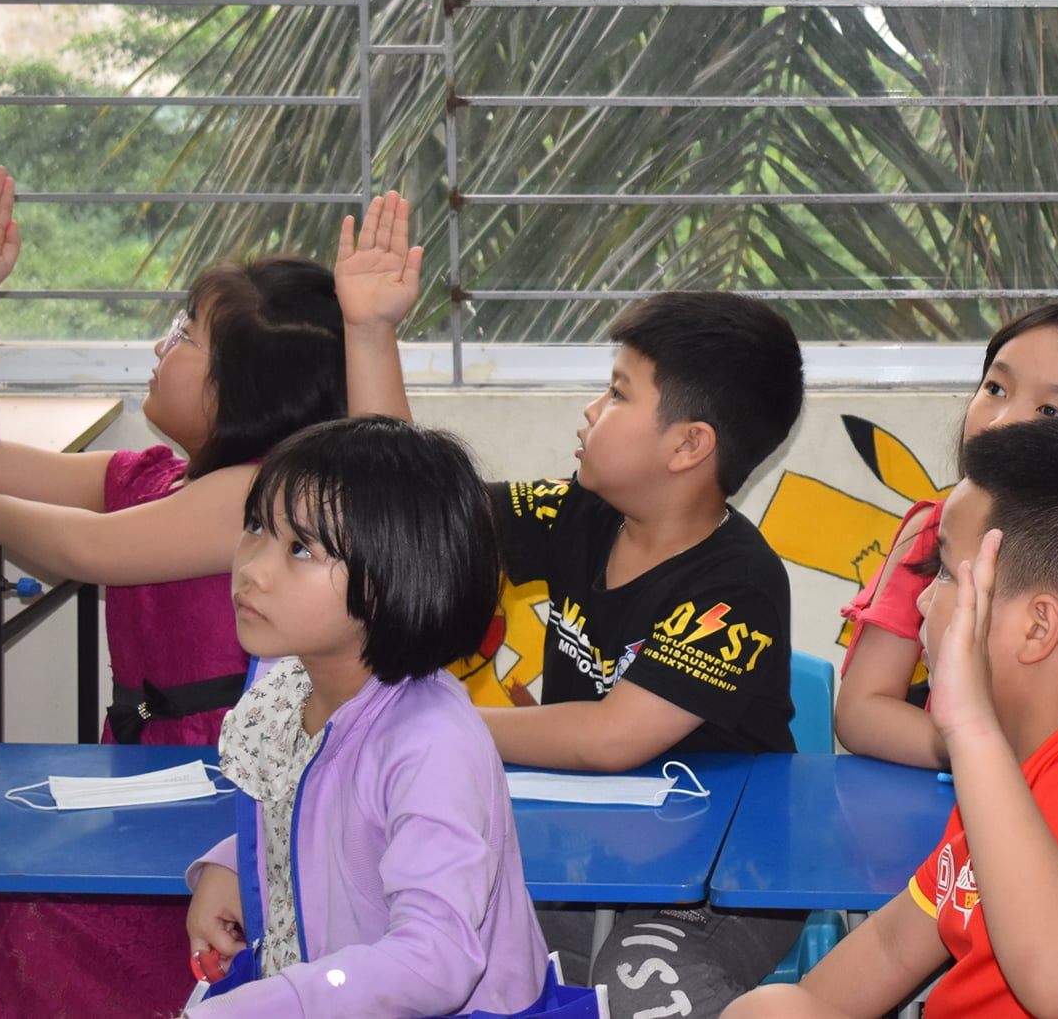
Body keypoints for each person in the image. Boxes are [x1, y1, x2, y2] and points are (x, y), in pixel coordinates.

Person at [335, 199, 808, 1019]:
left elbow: (610, 736)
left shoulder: (738, 587)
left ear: (688, 445)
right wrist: (371, 333)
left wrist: (433, 723)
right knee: (446, 943)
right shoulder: (578, 514)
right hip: (583, 856)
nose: (591, 411)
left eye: (618, 393)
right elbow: (413, 516)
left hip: (718, 886)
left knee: (632, 985)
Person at [0, 169, 348, 1019]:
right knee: (26, 893)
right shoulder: (156, 476)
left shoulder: (258, 496)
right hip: (141, 769)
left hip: (223, 786)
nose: (163, 345)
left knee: (44, 908)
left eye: (186, 335)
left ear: (243, 391)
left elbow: (83, 547)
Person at [722, 410, 1058, 1019]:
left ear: (1036, 628)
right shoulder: (1015, 771)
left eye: (944, 572)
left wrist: (970, 726)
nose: (923, 600)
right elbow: (891, 945)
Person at [183, 417, 554, 1016]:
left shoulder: (430, 742)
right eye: (255, 527)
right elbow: (311, 818)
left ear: (393, 578)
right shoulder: (288, 685)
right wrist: (234, 865)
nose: (252, 568)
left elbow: (435, 958)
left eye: (300, 549)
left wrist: (283, 1003)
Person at [835, 302, 1058, 767]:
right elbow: (860, 711)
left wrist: (998, 758)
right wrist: (978, 752)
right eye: (996, 388)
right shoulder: (934, 534)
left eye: (1050, 410)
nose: (999, 422)